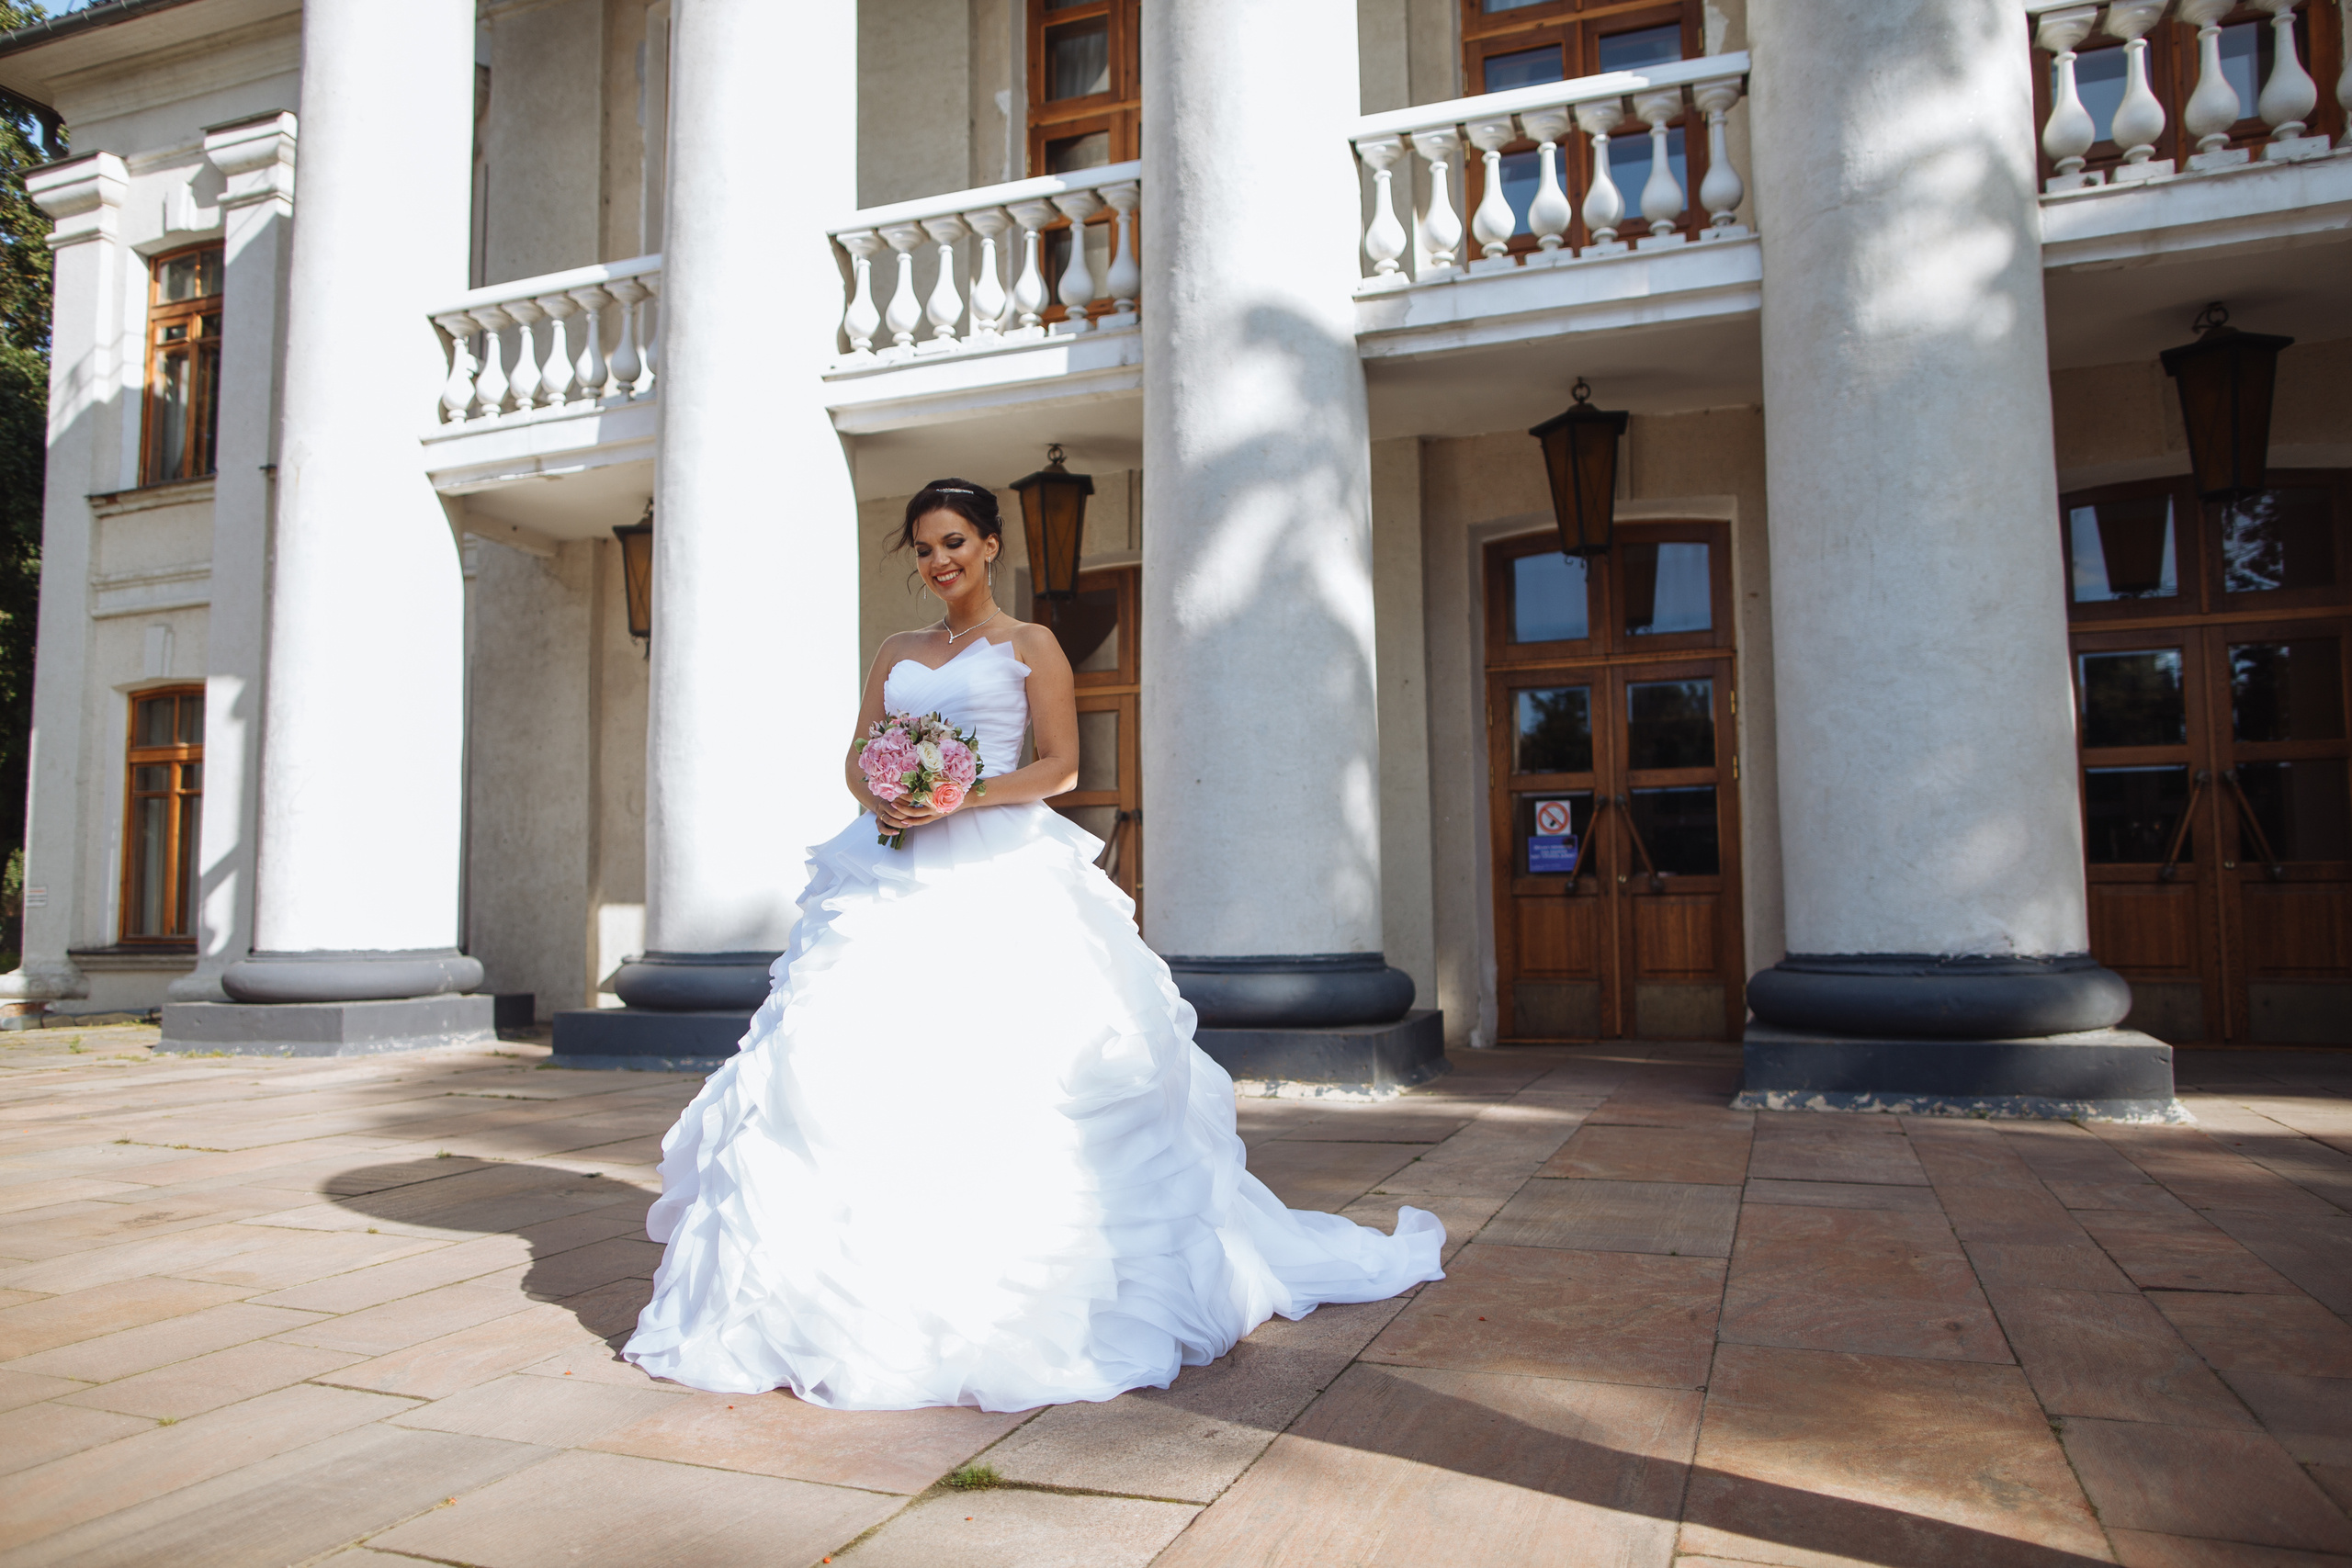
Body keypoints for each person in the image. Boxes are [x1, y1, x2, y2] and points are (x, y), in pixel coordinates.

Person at [620, 479, 1442, 1413]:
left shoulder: (1031, 646)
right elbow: (859, 750)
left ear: (992, 545)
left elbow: (1063, 764)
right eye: (925, 549)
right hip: (889, 868)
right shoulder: (895, 650)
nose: (940, 564)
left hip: (995, 856)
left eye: (956, 543)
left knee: (1008, 1057)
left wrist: (959, 796)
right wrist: (881, 789)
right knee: (845, 1054)